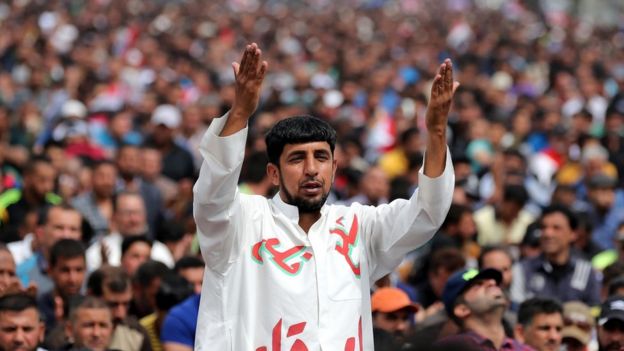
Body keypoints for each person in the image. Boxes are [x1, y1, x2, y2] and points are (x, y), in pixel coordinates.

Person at [192, 43, 456, 349]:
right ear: (273, 173)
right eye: (296, 159)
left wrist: (436, 132)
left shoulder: (358, 227)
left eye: (321, 157)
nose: (311, 169)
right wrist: (240, 113)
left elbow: (427, 213)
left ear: (334, 167)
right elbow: (212, 197)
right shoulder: (241, 222)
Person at [511, 204, 601, 307]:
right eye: (544, 227)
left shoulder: (586, 272)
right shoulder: (522, 269)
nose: (548, 234)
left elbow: (594, 311)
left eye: (556, 228)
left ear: (573, 234)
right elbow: (517, 311)